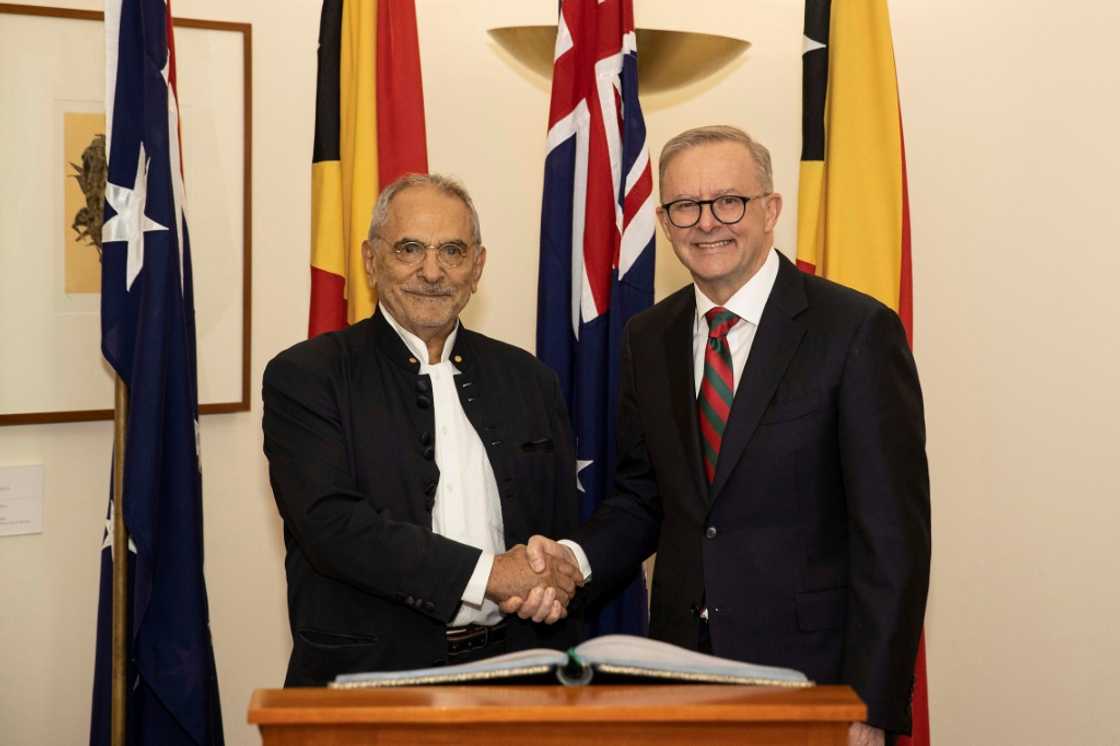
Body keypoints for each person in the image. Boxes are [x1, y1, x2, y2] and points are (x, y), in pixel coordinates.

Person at [515, 126, 930, 744]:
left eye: (729, 201)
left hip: (812, 685)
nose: (707, 222)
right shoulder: (649, 337)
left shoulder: (855, 332)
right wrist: (572, 561)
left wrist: (867, 706)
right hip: (680, 677)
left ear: (770, 210)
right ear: (662, 219)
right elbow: (642, 498)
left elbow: (893, 540)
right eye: (685, 206)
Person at [262, 173, 581, 686]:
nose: (431, 271)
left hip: (519, 677)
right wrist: (492, 575)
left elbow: (560, 521)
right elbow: (333, 528)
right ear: (371, 260)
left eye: (452, 251)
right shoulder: (307, 376)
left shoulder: (529, 379)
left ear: (477, 267)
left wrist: (551, 575)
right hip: (371, 685)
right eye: (410, 248)